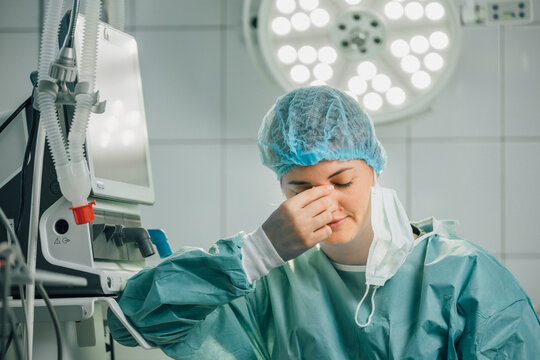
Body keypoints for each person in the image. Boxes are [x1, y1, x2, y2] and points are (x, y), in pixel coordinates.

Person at [108, 86, 540, 359]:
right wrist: (255, 255)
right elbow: (132, 323)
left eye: (342, 180)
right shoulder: (269, 282)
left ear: (375, 170)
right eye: (301, 189)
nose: (324, 200)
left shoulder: (464, 276)